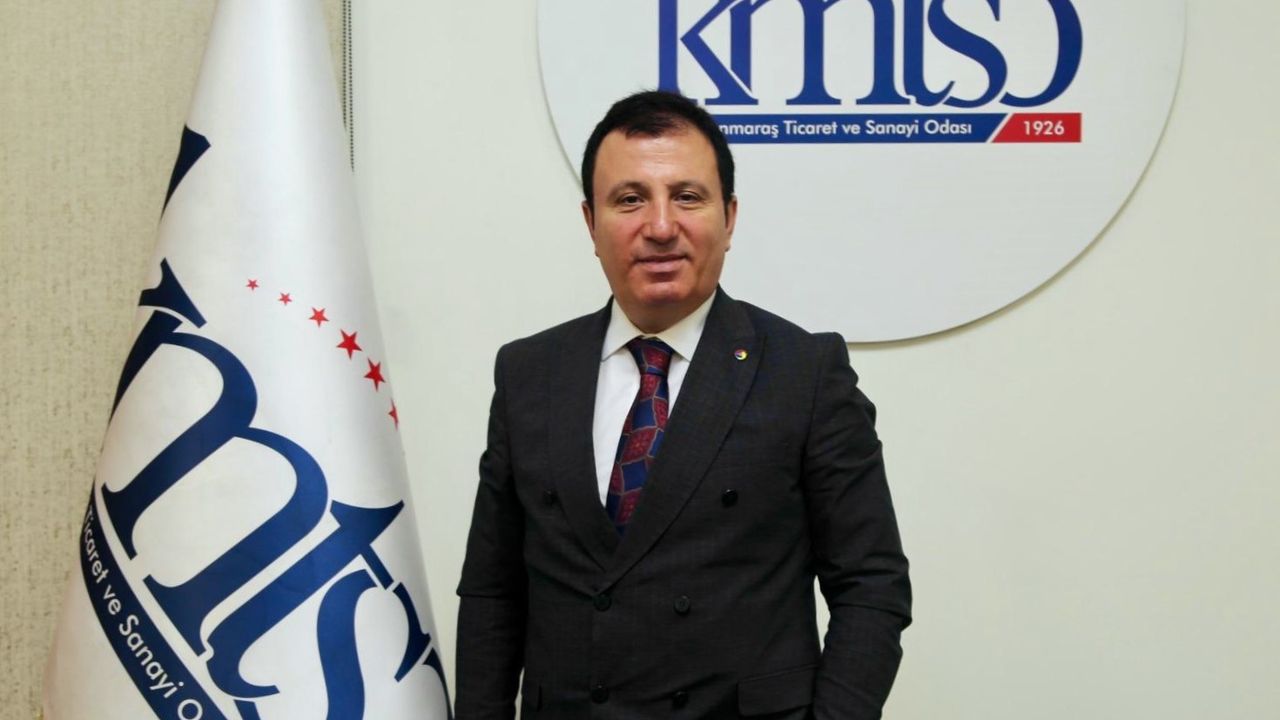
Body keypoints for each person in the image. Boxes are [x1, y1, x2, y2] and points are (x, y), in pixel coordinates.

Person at [456, 90, 911, 719]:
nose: (661, 226)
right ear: (591, 223)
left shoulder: (804, 373)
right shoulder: (529, 372)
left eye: (688, 197)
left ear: (730, 217)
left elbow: (872, 585)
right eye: (630, 199)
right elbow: (492, 591)